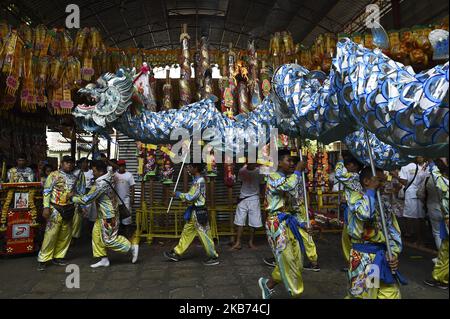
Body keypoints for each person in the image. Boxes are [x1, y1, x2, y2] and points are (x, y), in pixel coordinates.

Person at [258, 149, 311, 299]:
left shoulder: (289, 178)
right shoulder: (273, 177)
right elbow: (288, 186)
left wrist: (303, 224)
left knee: (297, 261)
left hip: (288, 222)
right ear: (279, 163)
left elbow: (293, 207)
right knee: (288, 260)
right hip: (276, 223)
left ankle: (267, 284)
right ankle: (296, 293)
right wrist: (299, 171)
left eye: (293, 161)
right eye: (289, 160)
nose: (292, 163)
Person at [346, 167, 406, 299]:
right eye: (379, 180)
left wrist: (394, 253)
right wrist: (371, 190)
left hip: (383, 256)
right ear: (367, 181)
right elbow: (364, 214)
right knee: (364, 296)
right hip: (363, 258)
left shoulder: (383, 202)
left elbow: (393, 230)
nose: (383, 184)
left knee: (391, 295)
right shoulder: (355, 198)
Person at [70, 160, 138, 268]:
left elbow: (87, 199)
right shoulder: (109, 175)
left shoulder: (101, 184)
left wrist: (72, 197)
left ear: (101, 171)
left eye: (94, 171)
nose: (93, 173)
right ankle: (103, 259)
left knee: (109, 240)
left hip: (109, 215)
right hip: (103, 214)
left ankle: (131, 247)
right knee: (96, 235)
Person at [164, 163, 219, 266]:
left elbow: (191, 197)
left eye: (190, 167)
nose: (188, 169)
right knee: (186, 233)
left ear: (196, 168)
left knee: (205, 236)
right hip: (193, 213)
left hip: (199, 213)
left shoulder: (200, 181)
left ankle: (213, 256)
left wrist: (178, 194)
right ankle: (177, 253)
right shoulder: (196, 180)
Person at [37, 156, 86, 271]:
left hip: (70, 208)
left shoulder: (76, 176)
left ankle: (58, 256)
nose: (69, 165)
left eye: (71, 163)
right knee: (50, 235)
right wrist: (46, 207)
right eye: (66, 163)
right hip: (55, 208)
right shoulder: (54, 175)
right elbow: (47, 191)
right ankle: (43, 259)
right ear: (62, 163)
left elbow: (80, 192)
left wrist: (80, 204)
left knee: (65, 235)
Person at [424, 159, 449, 290]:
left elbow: (438, 178)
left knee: (445, 253)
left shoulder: (445, 183)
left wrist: (432, 163)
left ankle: (442, 279)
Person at [335, 152, 363, 267]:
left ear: (355, 166)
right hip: (356, 209)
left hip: (353, 211)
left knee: (349, 236)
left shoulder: (354, 176)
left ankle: (352, 262)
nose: (347, 166)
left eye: (349, 164)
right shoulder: (360, 177)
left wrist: (340, 161)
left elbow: (339, 174)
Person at [231, 162, 264, 251]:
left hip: (254, 197)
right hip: (243, 197)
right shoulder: (242, 170)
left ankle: (250, 242)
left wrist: (263, 196)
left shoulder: (259, 171)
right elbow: (241, 184)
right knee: (239, 221)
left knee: (253, 222)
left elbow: (262, 184)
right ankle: (238, 242)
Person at [399, 157, 428, 245]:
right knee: (421, 217)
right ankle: (421, 239)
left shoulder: (404, 167)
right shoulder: (420, 168)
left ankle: (415, 237)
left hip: (410, 194)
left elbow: (404, 182)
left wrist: (396, 176)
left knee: (412, 217)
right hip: (420, 193)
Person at [114, 160, 136, 238]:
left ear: (125, 166)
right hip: (116, 200)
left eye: (123, 166)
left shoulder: (129, 175)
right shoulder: (114, 175)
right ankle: (117, 235)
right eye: (120, 166)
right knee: (116, 218)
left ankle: (128, 234)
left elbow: (132, 187)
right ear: (118, 166)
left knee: (127, 218)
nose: (121, 167)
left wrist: (133, 197)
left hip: (126, 199)